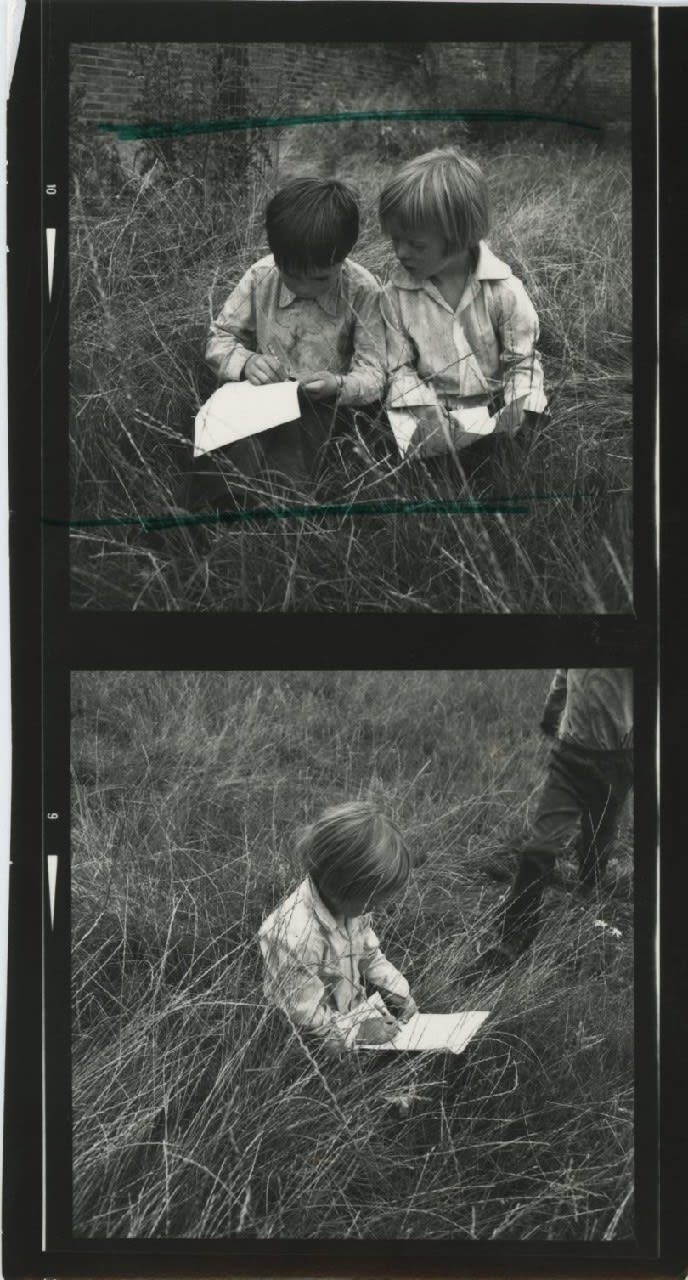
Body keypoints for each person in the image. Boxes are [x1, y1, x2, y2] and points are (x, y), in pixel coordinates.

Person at [190, 178, 388, 510]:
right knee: (231, 437)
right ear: (277, 257)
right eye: (292, 275)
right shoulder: (261, 275)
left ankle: (275, 507)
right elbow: (219, 338)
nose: (305, 286)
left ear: (345, 256)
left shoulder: (364, 290)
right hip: (260, 392)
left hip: (323, 404)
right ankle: (213, 508)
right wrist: (247, 363)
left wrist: (337, 385)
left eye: (322, 278)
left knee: (297, 442)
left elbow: (374, 372)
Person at [378, 147, 547, 490]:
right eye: (395, 240)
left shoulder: (503, 290)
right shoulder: (394, 296)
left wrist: (518, 409)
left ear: (458, 238)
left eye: (415, 244)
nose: (400, 253)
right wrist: (423, 407)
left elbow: (523, 360)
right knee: (427, 480)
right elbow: (399, 367)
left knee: (507, 472)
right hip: (430, 412)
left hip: (494, 409)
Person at [482, 669, 634, 969]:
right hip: (569, 757)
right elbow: (564, 674)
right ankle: (512, 939)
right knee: (539, 846)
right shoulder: (582, 627)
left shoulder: (634, 634)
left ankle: (585, 903)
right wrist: (552, 710)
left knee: (597, 839)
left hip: (617, 761)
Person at [257, 801, 418, 1054]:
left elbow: (369, 955)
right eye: (370, 900)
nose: (373, 908)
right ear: (338, 886)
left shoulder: (351, 909)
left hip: (350, 1012)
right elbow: (304, 1020)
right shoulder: (295, 937)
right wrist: (359, 1031)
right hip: (311, 1048)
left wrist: (399, 991)